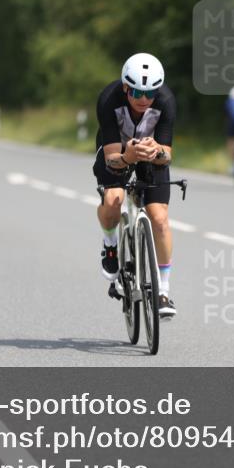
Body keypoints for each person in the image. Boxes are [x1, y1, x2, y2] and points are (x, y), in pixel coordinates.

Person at [93, 52, 178, 319]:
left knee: (160, 218)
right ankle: (110, 244)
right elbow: (111, 158)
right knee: (113, 201)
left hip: (148, 152)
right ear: (126, 87)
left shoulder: (165, 100)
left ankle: (163, 290)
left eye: (150, 92)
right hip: (118, 148)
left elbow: (167, 153)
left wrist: (157, 153)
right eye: (138, 92)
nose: (144, 99)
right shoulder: (109, 99)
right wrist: (128, 156)